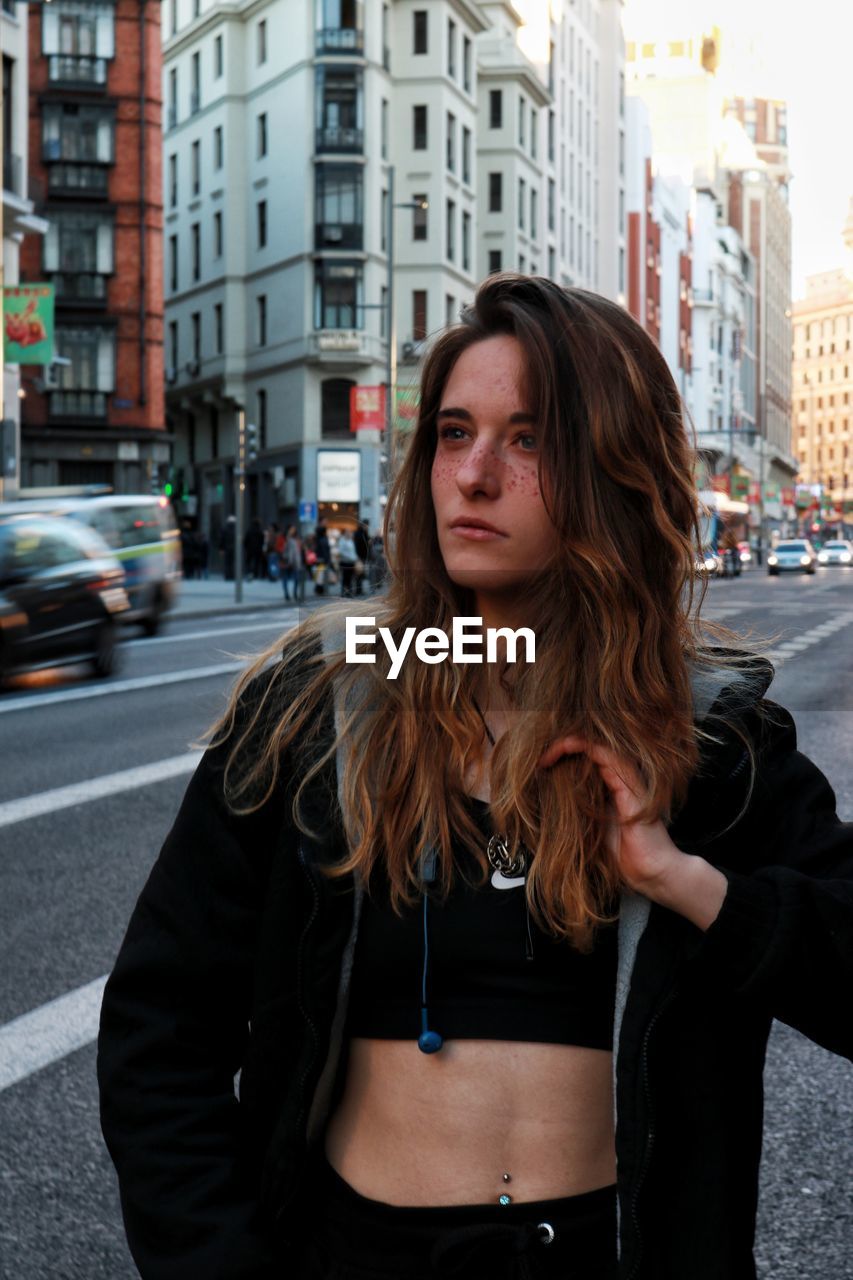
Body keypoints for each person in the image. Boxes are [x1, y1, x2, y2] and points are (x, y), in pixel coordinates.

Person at [98, 275, 853, 1280]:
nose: (474, 474)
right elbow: (160, 1027)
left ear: (614, 473)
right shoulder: (323, 706)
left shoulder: (710, 736)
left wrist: (686, 880)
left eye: (528, 438)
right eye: (453, 433)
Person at [336, 527, 358, 598]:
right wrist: (351, 557)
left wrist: (355, 558)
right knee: (345, 578)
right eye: (347, 532)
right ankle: (343, 592)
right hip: (345, 562)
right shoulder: (342, 541)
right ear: (344, 533)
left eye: (349, 532)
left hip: (351, 562)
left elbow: (353, 551)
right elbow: (341, 552)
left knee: (350, 578)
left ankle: (349, 592)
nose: (349, 533)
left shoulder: (350, 540)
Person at [353, 519, 370, 595]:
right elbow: (359, 545)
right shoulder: (359, 533)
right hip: (360, 556)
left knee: (361, 573)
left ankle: (359, 589)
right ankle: (358, 590)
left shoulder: (363, 532)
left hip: (363, 556)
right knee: (359, 573)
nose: (367, 527)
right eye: (366, 525)